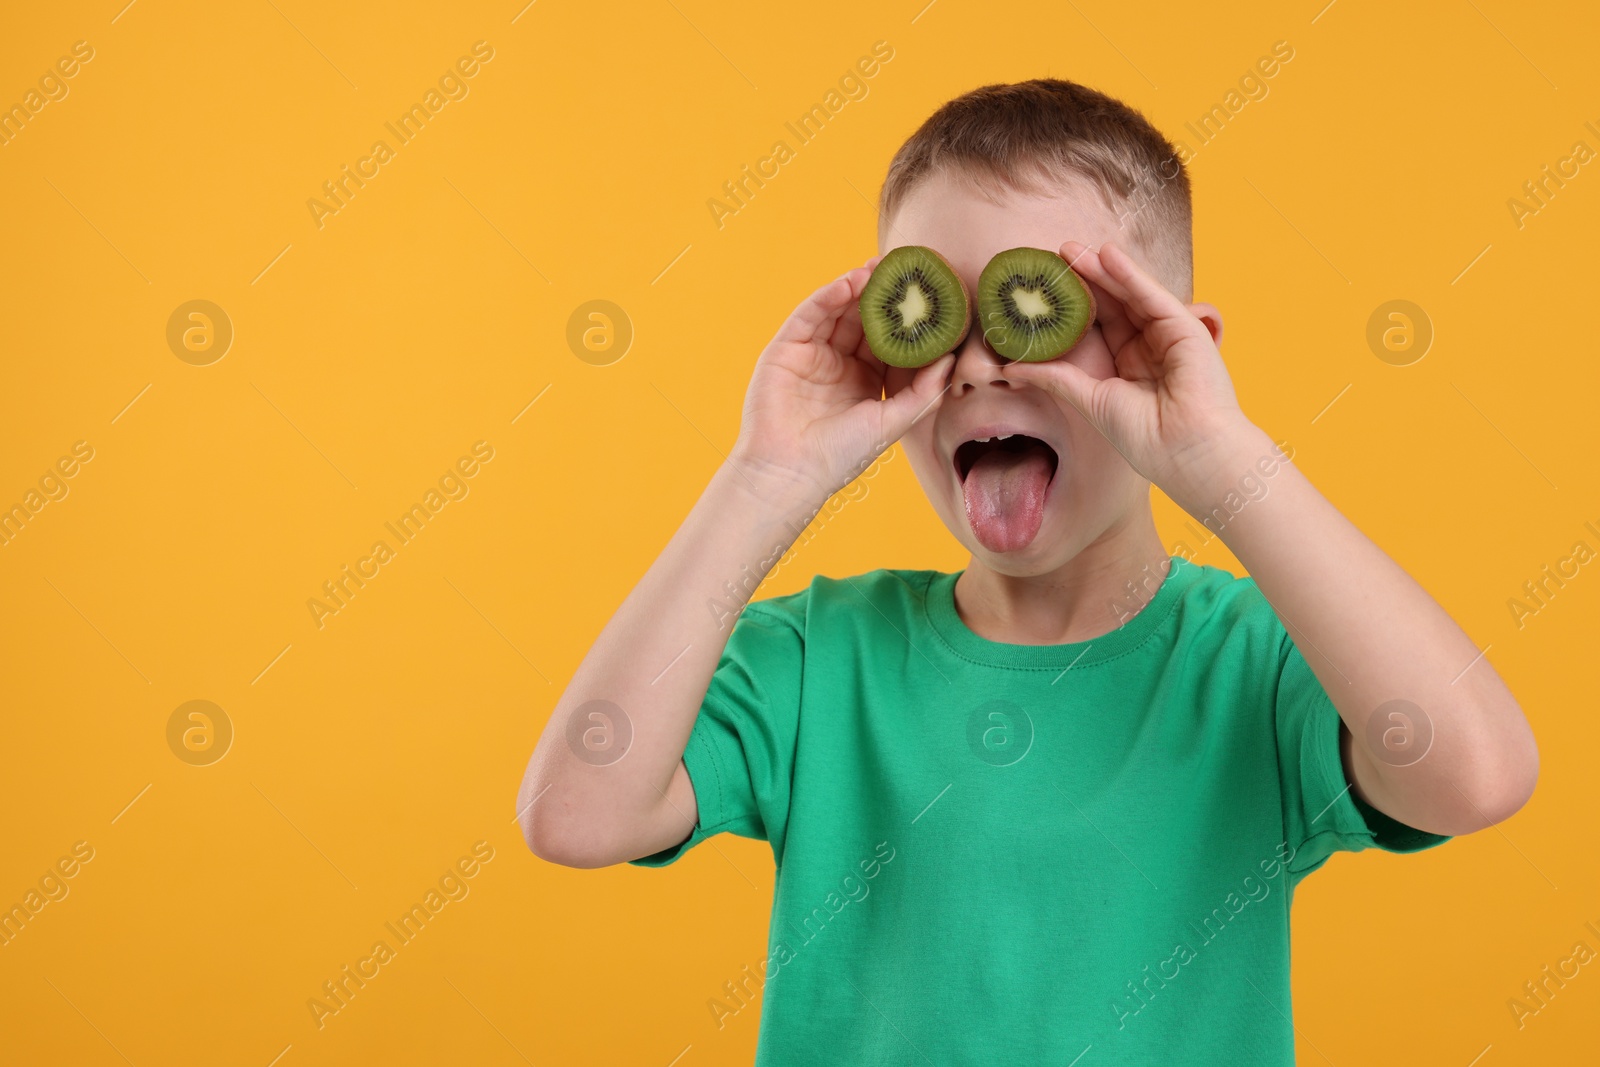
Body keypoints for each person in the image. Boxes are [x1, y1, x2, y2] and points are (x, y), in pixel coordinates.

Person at [516, 78, 1539, 1064]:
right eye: (931, 317)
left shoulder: (1256, 667)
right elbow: (576, 813)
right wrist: (763, 478)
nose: (979, 364)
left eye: (1039, 308)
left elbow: (1477, 776)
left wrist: (1221, 450)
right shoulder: (820, 658)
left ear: (1173, 346)